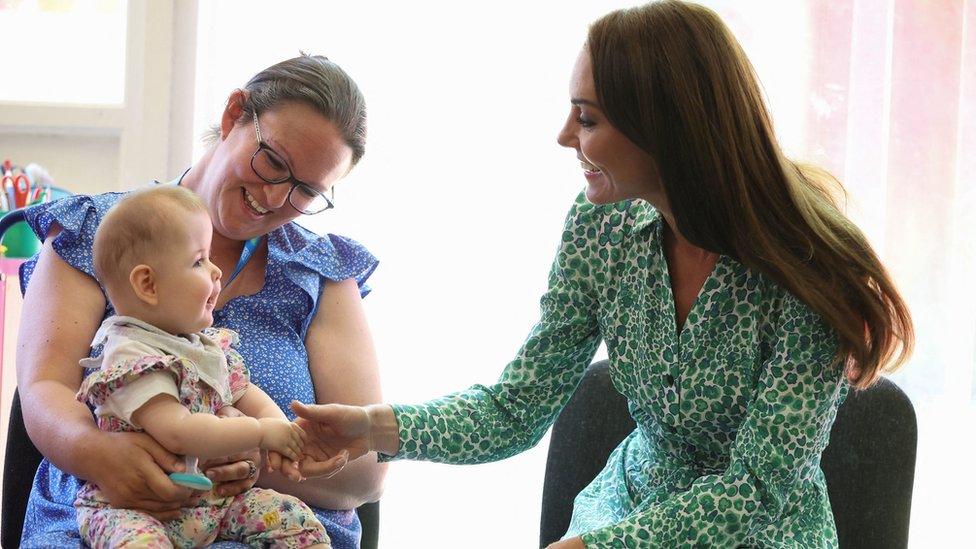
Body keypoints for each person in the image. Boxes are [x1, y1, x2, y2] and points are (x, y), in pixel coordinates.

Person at [291, 2, 915, 548]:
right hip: (623, 511)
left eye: (587, 119)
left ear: (667, 130)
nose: (565, 137)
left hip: (758, 533)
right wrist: (375, 426)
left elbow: (754, 489)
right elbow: (516, 408)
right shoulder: (601, 229)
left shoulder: (807, 261)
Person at [16, 53, 385, 549]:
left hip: (260, 527)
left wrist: (251, 458)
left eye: (305, 191)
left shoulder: (322, 273)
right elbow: (44, 386)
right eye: (273, 162)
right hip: (111, 514)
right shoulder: (101, 233)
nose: (276, 198)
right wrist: (98, 453)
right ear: (235, 114)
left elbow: (367, 473)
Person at [74, 185, 333, 548]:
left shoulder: (206, 344)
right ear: (148, 284)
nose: (216, 270)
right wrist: (260, 434)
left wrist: (282, 435)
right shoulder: (131, 357)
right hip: (136, 509)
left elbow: (246, 395)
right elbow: (179, 431)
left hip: (214, 503)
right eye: (199, 261)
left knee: (296, 520)